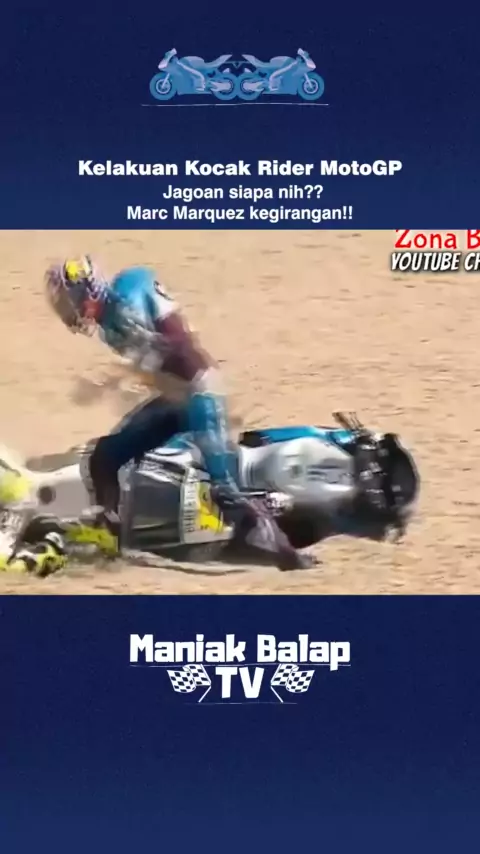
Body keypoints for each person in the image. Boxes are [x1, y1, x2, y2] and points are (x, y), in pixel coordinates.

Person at [44, 256, 315, 570]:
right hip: (174, 400)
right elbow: (155, 362)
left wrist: (113, 378)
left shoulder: (126, 301)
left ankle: (288, 555)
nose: (67, 312)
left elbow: (175, 345)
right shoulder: (110, 323)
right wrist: (117, 382)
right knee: (104, 457)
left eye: (68, 302)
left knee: (225, 490)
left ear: (86, 292)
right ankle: (109, 537)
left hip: (199, 393)